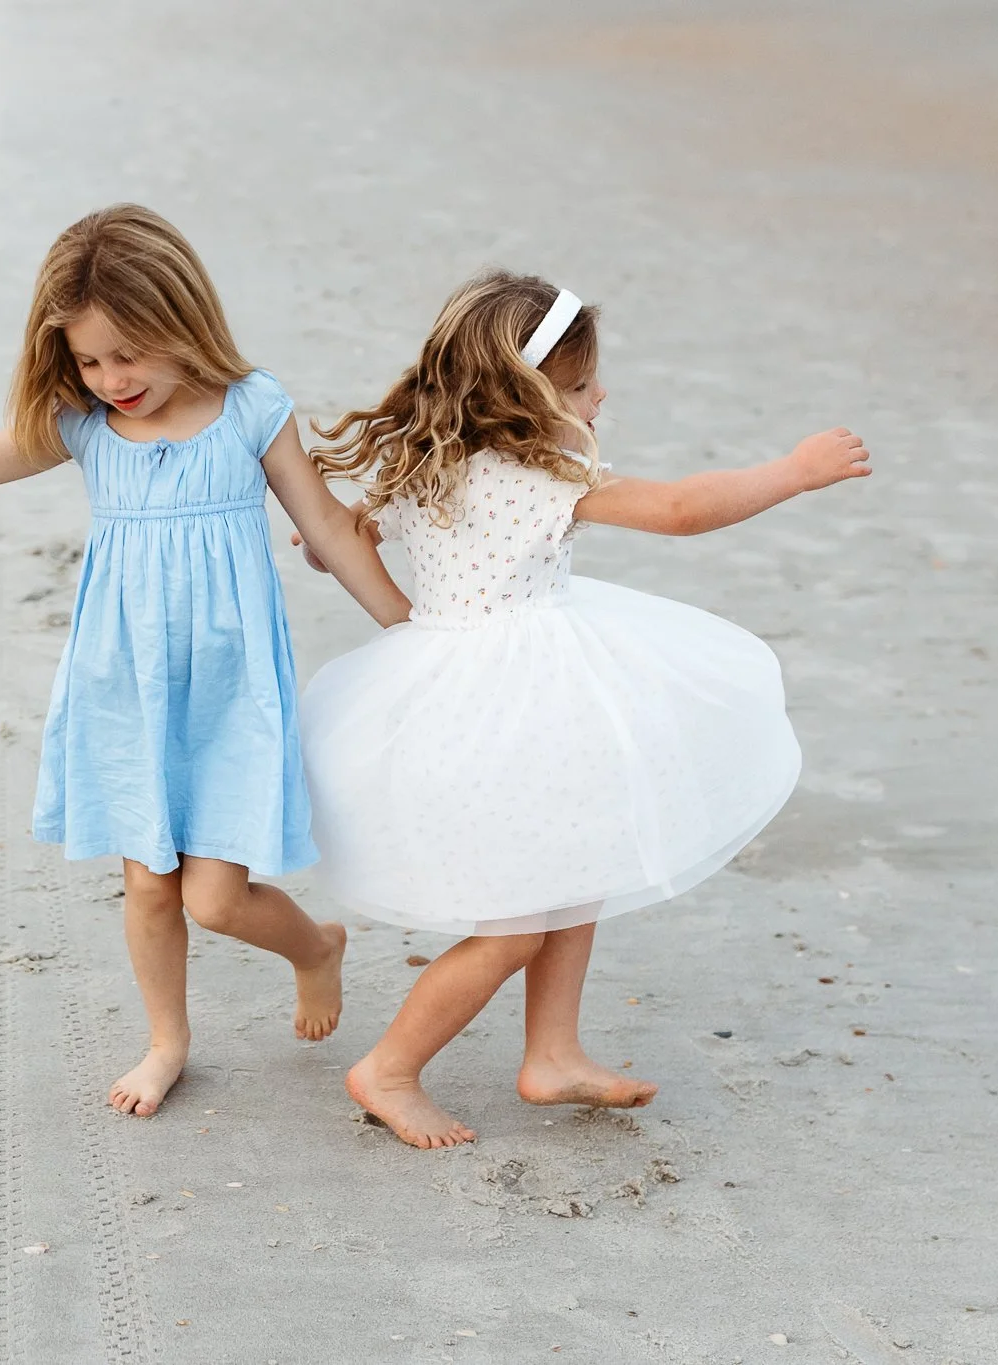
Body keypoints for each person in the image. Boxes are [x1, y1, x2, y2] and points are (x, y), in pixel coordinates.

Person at [0, 205, 411, 1117]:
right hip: (125, 688)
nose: (110, 378)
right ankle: (168, 1039)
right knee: (145, 881)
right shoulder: (85, 422)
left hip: (226, 692)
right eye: (90, 360)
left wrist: (409, 627)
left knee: (216, 897)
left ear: (183, 323)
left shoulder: (253, 408)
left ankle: (315, 947)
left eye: (127, 354)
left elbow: (324, 523)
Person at [299, 269, 870, 1147]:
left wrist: (331, 541)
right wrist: (792, 472)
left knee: (574, 863)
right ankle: (390, 1067)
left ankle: (554, 1053)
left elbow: (345, 537)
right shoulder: (543, 472)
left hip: (454, 699)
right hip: (508, 707)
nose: (598, 395)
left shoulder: (430, 459)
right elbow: (679, 510)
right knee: (514, 925)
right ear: (523, 397)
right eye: (576, 385)